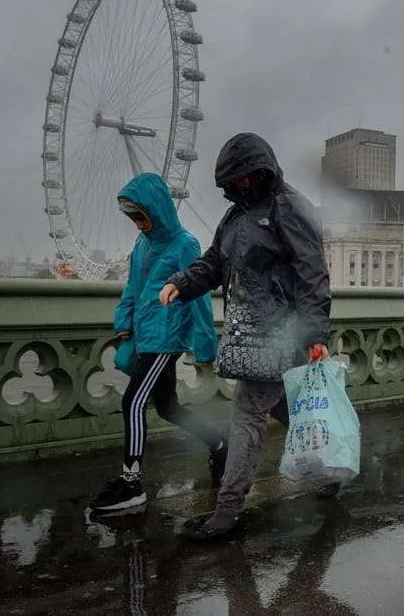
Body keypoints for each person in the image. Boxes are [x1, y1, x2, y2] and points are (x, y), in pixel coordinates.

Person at [159, 132, 332, 540]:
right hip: (248, 330)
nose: (238, 186)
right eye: (232, 181)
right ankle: (328, 469)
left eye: (244, 178)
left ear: (261, 171)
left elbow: (313, 274)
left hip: (282, 333)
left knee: (247, 414)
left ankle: (228, 508)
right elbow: (214, 263)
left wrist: (314, 335)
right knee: (278, 408)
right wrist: (182, 284)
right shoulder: (234, 218)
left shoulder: (291, 209)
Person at [89, 173, 224, 513]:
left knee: (132, 402)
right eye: (131, 218)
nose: (137, 224)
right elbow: (132, 288)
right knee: (168, 408)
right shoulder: (143, 245)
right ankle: (220, 444)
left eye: (140, 216)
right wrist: (124, 325)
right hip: (145, 335)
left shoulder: (185, 244)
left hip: (167, 337)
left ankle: (131, 483)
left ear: (157, 209)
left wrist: (204, 346)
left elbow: (199, 297)